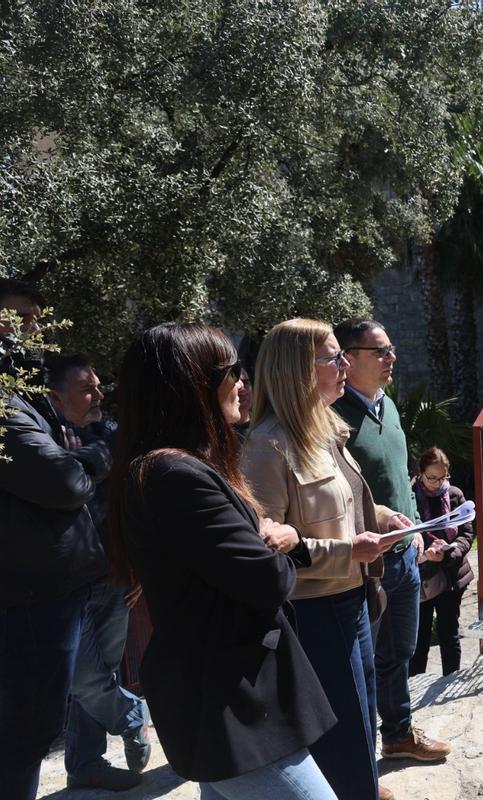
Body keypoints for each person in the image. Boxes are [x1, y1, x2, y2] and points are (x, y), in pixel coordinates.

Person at [108, 322, 339, 799]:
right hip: (230, 704)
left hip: (223, 697)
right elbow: (267, 582)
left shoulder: (171, 468)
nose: (242, 382)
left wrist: (266, 537)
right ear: (191, 384)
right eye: (230, 370)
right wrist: (283, 540)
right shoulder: (175, 476)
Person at [243, 318, 411, 800]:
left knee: (361, 714)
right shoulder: (267, 444)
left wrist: (380, 515)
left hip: (354, 597)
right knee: (342, 728)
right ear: (298, 369)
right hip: (315, 610)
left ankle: (364, 788)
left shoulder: (325, 429)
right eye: (333, 357)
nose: (344, 366)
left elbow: (338, 505)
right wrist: (346, 551)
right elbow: (268, 542)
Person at [0, 279, 113, 800]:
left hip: (58, 590)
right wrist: (94, 456)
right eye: (19, 320)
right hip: (29, 600)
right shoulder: (7, 409)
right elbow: (64, 483)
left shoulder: (20, 404)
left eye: (36, 322)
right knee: (22, 738)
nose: (33, 334)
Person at [331, 318, 452, 762]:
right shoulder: (332, 415)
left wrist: (419, 527)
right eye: (380, 351)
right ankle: (357, 759)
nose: (391, 358)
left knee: (399, 652)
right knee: (361, 664)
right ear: (349, 358)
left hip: (405, 554)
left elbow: (400, 475)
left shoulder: (387, 404)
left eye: (391, 348)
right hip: (364, 564)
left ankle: (398, 734)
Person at [44, 354, 151, 791]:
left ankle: (86, 762)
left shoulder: (113, 433)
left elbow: (133, 502)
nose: (99, 395)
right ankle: (133, 715)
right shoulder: (41, 437)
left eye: (98, 385)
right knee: (82, 674)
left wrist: (139, 564)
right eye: (86, 388)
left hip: (114, 575)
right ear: (56, 396)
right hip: (60, 581)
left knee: (101, 670)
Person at [408, 447, 474, 677]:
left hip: (450, 575)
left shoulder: (454, 494)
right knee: (419, 638)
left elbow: (466, 534)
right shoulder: (409, 495)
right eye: (432, 478)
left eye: (443, 477)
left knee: (449, 634)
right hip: (421, 575)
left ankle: (450, 684)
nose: (438, 483)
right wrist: (423, 550)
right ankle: (415, 689)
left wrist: (447, 554)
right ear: (420, 472)